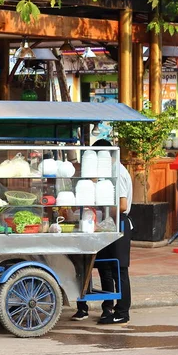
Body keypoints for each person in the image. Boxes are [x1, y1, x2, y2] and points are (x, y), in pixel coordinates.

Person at [72, 139, 133, 325]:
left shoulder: (118, 172)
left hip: (118, 223)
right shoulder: (109, 172)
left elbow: (121, 206)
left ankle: (122, 311)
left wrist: (101, 211)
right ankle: (108, 307)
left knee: (119, 269)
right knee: (105, 267)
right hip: (109, 221)